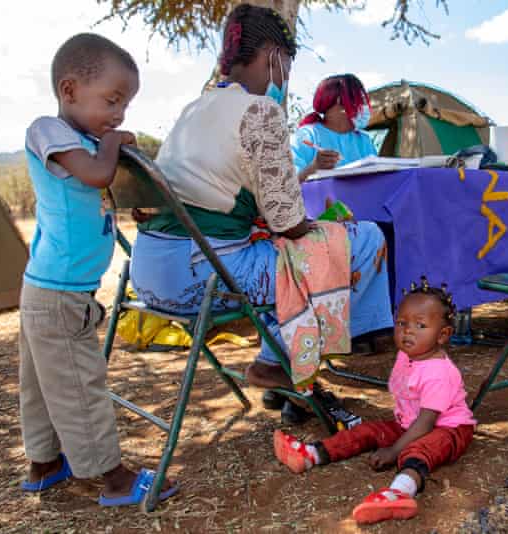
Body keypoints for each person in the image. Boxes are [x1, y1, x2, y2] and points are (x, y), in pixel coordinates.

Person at [129, 6, 393, 403]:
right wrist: (323, 230)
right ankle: (280, 359)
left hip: (149, 274)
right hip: (205, 277)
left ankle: (305, 353)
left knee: (282, 253)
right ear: (273, 58)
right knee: (365, 237)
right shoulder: (260, 111)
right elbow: (288, 222)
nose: (286, 79)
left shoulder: (195, 108)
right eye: (286, 66)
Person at [20, 33, 177, 506]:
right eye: (111, 101)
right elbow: (96, 175)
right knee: (77, 386)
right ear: (69, 90)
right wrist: (111, 143)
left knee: (44, 385)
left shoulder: (82, 140)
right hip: (58, 293)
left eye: (124, 106)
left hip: (53, 290)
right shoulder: (48, 129)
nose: (118, 115)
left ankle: (45, 463)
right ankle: (111, 477)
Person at [273, 279, 476, 525]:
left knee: (418, 450)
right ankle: (312, 454)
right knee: (368, 430)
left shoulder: (438, 373)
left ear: (443, 335)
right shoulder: (408, 354)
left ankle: (399, 492)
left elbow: (426, 423)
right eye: (402, 323)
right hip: (409, 424)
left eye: (420, 325)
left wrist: (393, 450)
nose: (407, 331)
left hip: (447, 429)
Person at [291, 74, 377, 181]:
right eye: (360, 100)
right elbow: (288, 185)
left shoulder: (364, 140)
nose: (364, 107)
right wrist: (314, 168)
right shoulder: (307, 136)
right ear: (339, 100)